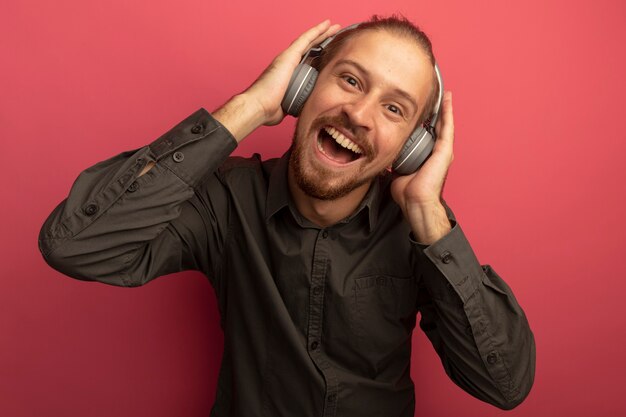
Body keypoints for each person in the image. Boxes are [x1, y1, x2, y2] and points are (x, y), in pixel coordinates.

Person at [39, 15, 535, 417]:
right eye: (350, 80)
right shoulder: (225, 199)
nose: (359, 115)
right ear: (303, 86)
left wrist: (429, 212)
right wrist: (250, 105)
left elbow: (504, 385)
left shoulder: (418, 230)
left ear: (412, 149)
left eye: (394, 110)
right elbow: (74, 244)